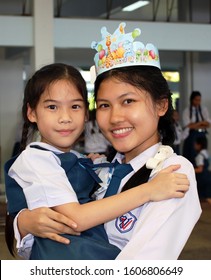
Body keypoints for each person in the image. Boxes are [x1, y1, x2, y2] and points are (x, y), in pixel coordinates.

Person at [10, 22, 201, 260]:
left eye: (128, 101)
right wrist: (24, 223)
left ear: (161, 105)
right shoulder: (97, 169)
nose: (115, 117)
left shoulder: (171, 173)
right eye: (104, 105)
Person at [182, 90, 211, 164]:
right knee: (192, 155)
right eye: (196, 100)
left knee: (202, 155)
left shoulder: (203, 109)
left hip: (202, 135)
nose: (198, 102)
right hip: (192, 135)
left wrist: (195, 125)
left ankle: (202, 173)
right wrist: (201, 123)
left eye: (199, 100)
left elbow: (208, 124)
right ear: (192, 100)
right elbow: (188, 126)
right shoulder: (187, 111)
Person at [194, 136, 211, 204]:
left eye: (195, 144)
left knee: (206, 197)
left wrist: (191, 170)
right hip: (208, 175)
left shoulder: (199, 156)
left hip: (203, 178)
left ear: (199, 145)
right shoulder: (206, 153)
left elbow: (200, 169)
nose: (194, 146)